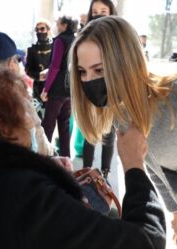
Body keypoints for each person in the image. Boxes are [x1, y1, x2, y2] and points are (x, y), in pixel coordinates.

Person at [0, 60, 166, 249]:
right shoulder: (27, 201)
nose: (29, 119)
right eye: (23, 108)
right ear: (3, 125)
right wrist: (134, 166)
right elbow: (145, 242)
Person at [70, 16, 177, 249]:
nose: (89, 80)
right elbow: (152, 162)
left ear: (125, 62)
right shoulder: (122, 108)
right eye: (82, 72)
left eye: (99, 69)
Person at [0, 31, 54, 156]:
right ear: (11, 64)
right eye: (17, 60)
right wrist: (54, 157)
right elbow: (42, 147)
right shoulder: (17, 100)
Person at [82, 0, 118, 178]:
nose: (98, 14)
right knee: (89, 135)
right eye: (94, 11)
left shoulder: (118, 38)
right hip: (89, 90)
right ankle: (86, 173)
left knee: (109, 135)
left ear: (112, 13)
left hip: (112, 92)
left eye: (104, 10)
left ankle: (105, 174)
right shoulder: (84, 36)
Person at [40, 16, 77, 157]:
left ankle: (43, 157)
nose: (56, 26)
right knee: (64, 125)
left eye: (57, 23)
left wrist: (46, 89)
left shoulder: (60, 40)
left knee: (48, 125)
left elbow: (55, 66)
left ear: (64, 25)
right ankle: (66, 158)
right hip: (70, 89)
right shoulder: (76, 40)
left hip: (57, 90)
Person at [25, 19, 52, 118]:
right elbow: (28, 69)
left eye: (42, 29)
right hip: (38, 88)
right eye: (37, 29)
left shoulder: (55, 47)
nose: (39, 32)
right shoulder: (31, 50)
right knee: (39, 118)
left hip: (53, 88)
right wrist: (38, 76)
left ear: (48, 30)